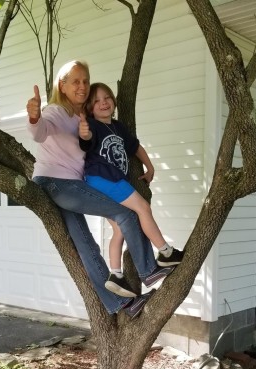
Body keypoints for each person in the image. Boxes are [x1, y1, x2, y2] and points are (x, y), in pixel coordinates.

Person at [26, 60, 172, 319]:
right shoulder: (56, 111)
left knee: (87, 247)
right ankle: (149, 270)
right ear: (62, 85)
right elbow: (40, 132)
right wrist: (34, 116)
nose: (82, 86)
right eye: (75, 81)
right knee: (125, 214)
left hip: (70, 185)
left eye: (85, 81)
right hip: (55, 183)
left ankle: (121, 304)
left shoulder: (86, 117)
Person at [79, 82, 183, 297]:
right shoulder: (91, 125)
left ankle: (116, 275)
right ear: (90, 108)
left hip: (103, 182)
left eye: (107, 97)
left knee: (119, 228)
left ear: (114, 101)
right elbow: (86, 141)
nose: (103, 103)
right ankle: (165, 252)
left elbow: (135, 147)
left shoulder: (118, 127)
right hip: (104, 178)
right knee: (143, 207)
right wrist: (85, 133)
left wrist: (150, 165)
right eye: (96, 101)